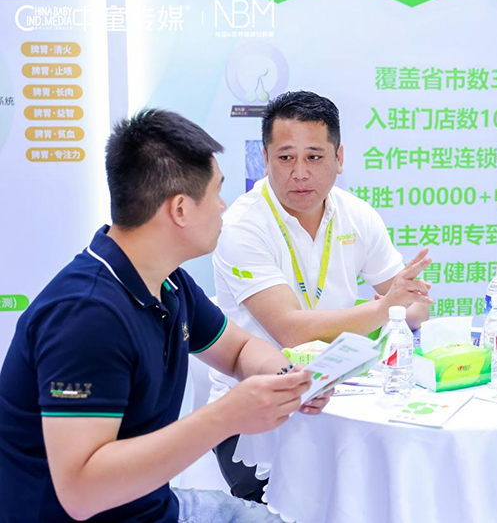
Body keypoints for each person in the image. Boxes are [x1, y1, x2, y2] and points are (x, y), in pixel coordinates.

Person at [0, 109, 332, 523]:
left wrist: (286, 378)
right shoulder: (85, 316)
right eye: (216, 193)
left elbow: (238, 350)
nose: (223, 207)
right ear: (180, 209)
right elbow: (81, 493)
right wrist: (227, 415)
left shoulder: (168, 281)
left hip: (153, 506)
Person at [208, 90, 433, 501]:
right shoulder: (243, 225)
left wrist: (403, 305)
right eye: (285, 157)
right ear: (265, 158)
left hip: (342, 397)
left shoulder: (356, 214)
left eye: (314, 156)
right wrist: (385, 308)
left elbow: (415, 306)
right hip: (256, 409)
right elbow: (290, 330)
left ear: (339, 158)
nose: (300, 173)